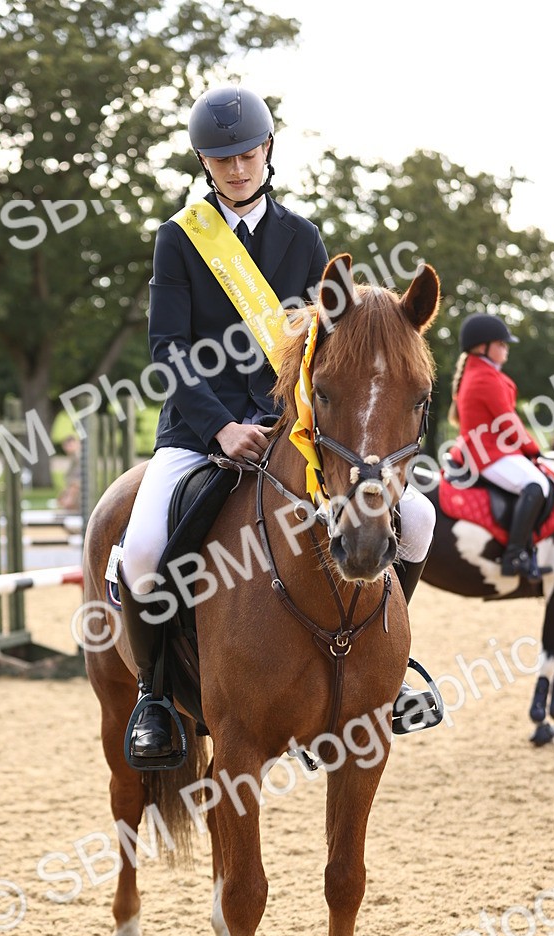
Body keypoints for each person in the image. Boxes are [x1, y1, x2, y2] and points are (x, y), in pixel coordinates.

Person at [118, 84, 438, 762]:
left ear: (268, 150)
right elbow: (167, 349)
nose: (237, 168)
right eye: (222, 158)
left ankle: (390, 667)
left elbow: (321, 348)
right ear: (206, 164)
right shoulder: (179, 241)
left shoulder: (302, 236)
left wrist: (284, 421)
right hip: (198, 433)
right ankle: (155, 696)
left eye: (247, 153)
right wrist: (218, 429)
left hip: (290, 428)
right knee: (144, 548)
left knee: (419, 522)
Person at [449, 313, 551, 583]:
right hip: (486, 453)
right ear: (482, 347)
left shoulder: (480, 371)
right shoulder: (486, 378)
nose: (506, 348)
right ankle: (514, 555)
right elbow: (508, 421)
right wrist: (532, 448)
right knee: (536, 484)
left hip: (487, 448)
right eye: (501, 343)